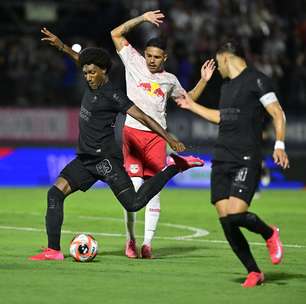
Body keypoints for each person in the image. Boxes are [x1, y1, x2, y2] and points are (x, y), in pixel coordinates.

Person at [29, 38, 204, 261]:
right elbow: (81, 60)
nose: (88, 76)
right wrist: (61, 46)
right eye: (85, 73)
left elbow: (143, 117)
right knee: (54, 193)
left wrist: (169, 138)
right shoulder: (91, 80)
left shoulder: (113, 95)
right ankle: (53, 250)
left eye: (92, 73)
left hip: (105, 161)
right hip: (85, 160)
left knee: (134, 203)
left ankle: (174, 168)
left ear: (103, 71)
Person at [175, 41, 289, 287]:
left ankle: (269, 233)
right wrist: (191, 105)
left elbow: (278, 112)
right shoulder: (227, 88)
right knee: (226, 219)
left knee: (237, 213)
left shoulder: (258, 80)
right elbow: (221, 117)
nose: (219, 69)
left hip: (246, 156)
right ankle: (254, 272)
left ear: (225, 57)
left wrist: (279, 144)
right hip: (222, 157)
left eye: (219, 63)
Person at [110, 10, 215, 258]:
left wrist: (203, 81)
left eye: (157, 57)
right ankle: (131, 240)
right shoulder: (133, 61)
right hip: (133, 135)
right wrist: (142, 19)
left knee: (154, 191)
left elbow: (186, 101)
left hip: (157, 139)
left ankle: (147, 245)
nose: (151, 60)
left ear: (164, 57)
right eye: (149, 56)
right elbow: (115, 33)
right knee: (133, 192)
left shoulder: (169, 80)